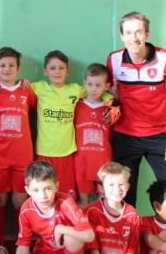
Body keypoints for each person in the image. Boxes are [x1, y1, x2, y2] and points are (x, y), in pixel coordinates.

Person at [107, 12, 166, 207]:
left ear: (147, 34)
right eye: (128, 32)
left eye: (139, 32)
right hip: (125, 136)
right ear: (122, 36)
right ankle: (129, 228)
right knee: (124, 194)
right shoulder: (114, 59)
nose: (134, 38)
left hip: (157, 136)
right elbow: (112, 95)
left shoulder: (165, 58)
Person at [7, 161, 94, 254]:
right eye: (36, 190)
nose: (43, 196)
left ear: (56, 186)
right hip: (47, 252)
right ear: (28, 190)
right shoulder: (26, 210)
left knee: (72, 237)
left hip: (70, 248)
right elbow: (22, 249)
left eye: (47, 188)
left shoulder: (65, 202)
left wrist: (61, 229)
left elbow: (89, 235)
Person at [31, 52, 118, 203]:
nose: (57, 72)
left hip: (68, 153)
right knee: (43, 196)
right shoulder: (37, 87)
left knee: (67, 199)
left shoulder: (76, 90)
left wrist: (111, 100)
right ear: (45, 71)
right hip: (43, 151)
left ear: (68, 71)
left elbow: (98, 91)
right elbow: (16, 87)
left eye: (61, 68)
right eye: (52, 68)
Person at [0, 47, 37, 254]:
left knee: (20, 202)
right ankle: (0, 246)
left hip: (23, 157)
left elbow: (42, 107)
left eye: (11, 65)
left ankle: (23, 246)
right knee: (0, 200)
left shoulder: (26, 91)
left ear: (18, 69)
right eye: (2, 66)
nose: (7, 69)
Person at [81, 163, 139, 254]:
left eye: (121, 184)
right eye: (111, 185)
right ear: (101, 188)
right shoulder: (92, 211)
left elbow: (132, 248)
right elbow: (92, 248)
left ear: (127, 187)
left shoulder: (132, 214)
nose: (117, 189)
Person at [74, 63, 118, 210]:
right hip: (81, 162)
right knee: (83, 201)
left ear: (106, 86)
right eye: (90, 84)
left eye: (98, 85)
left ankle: (101, 226)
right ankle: (83, 225)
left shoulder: (110, 108)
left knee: (104, 201)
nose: (93, 89)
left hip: (103, 161)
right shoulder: (76, 105)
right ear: (84, 83)